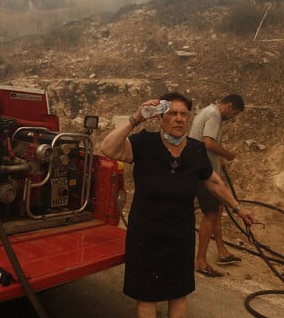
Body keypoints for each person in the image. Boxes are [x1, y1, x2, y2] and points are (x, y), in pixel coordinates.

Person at [100, 92, 254, 318]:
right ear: (160, 118)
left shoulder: (196, 149)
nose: (179, 118)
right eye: (172, 113)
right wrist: (136, 118)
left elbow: (213, 181)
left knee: (178, 293)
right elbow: (108, 148)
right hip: (146, 234)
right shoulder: (144, 143)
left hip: (180, 235)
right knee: (146, 296)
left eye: (184, 114)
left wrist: (238, 208)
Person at [189, 94, 245, 277]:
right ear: (229, 106)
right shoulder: (214, 114)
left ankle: (222, 252)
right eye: (234, 113)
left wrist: (218, 158)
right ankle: (201, 261)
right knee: (211, 213)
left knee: (218, 208)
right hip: (202, 172)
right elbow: (208, 142)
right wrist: (227, 154)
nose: (232, 117)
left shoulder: (207, 110)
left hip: (202, 167)